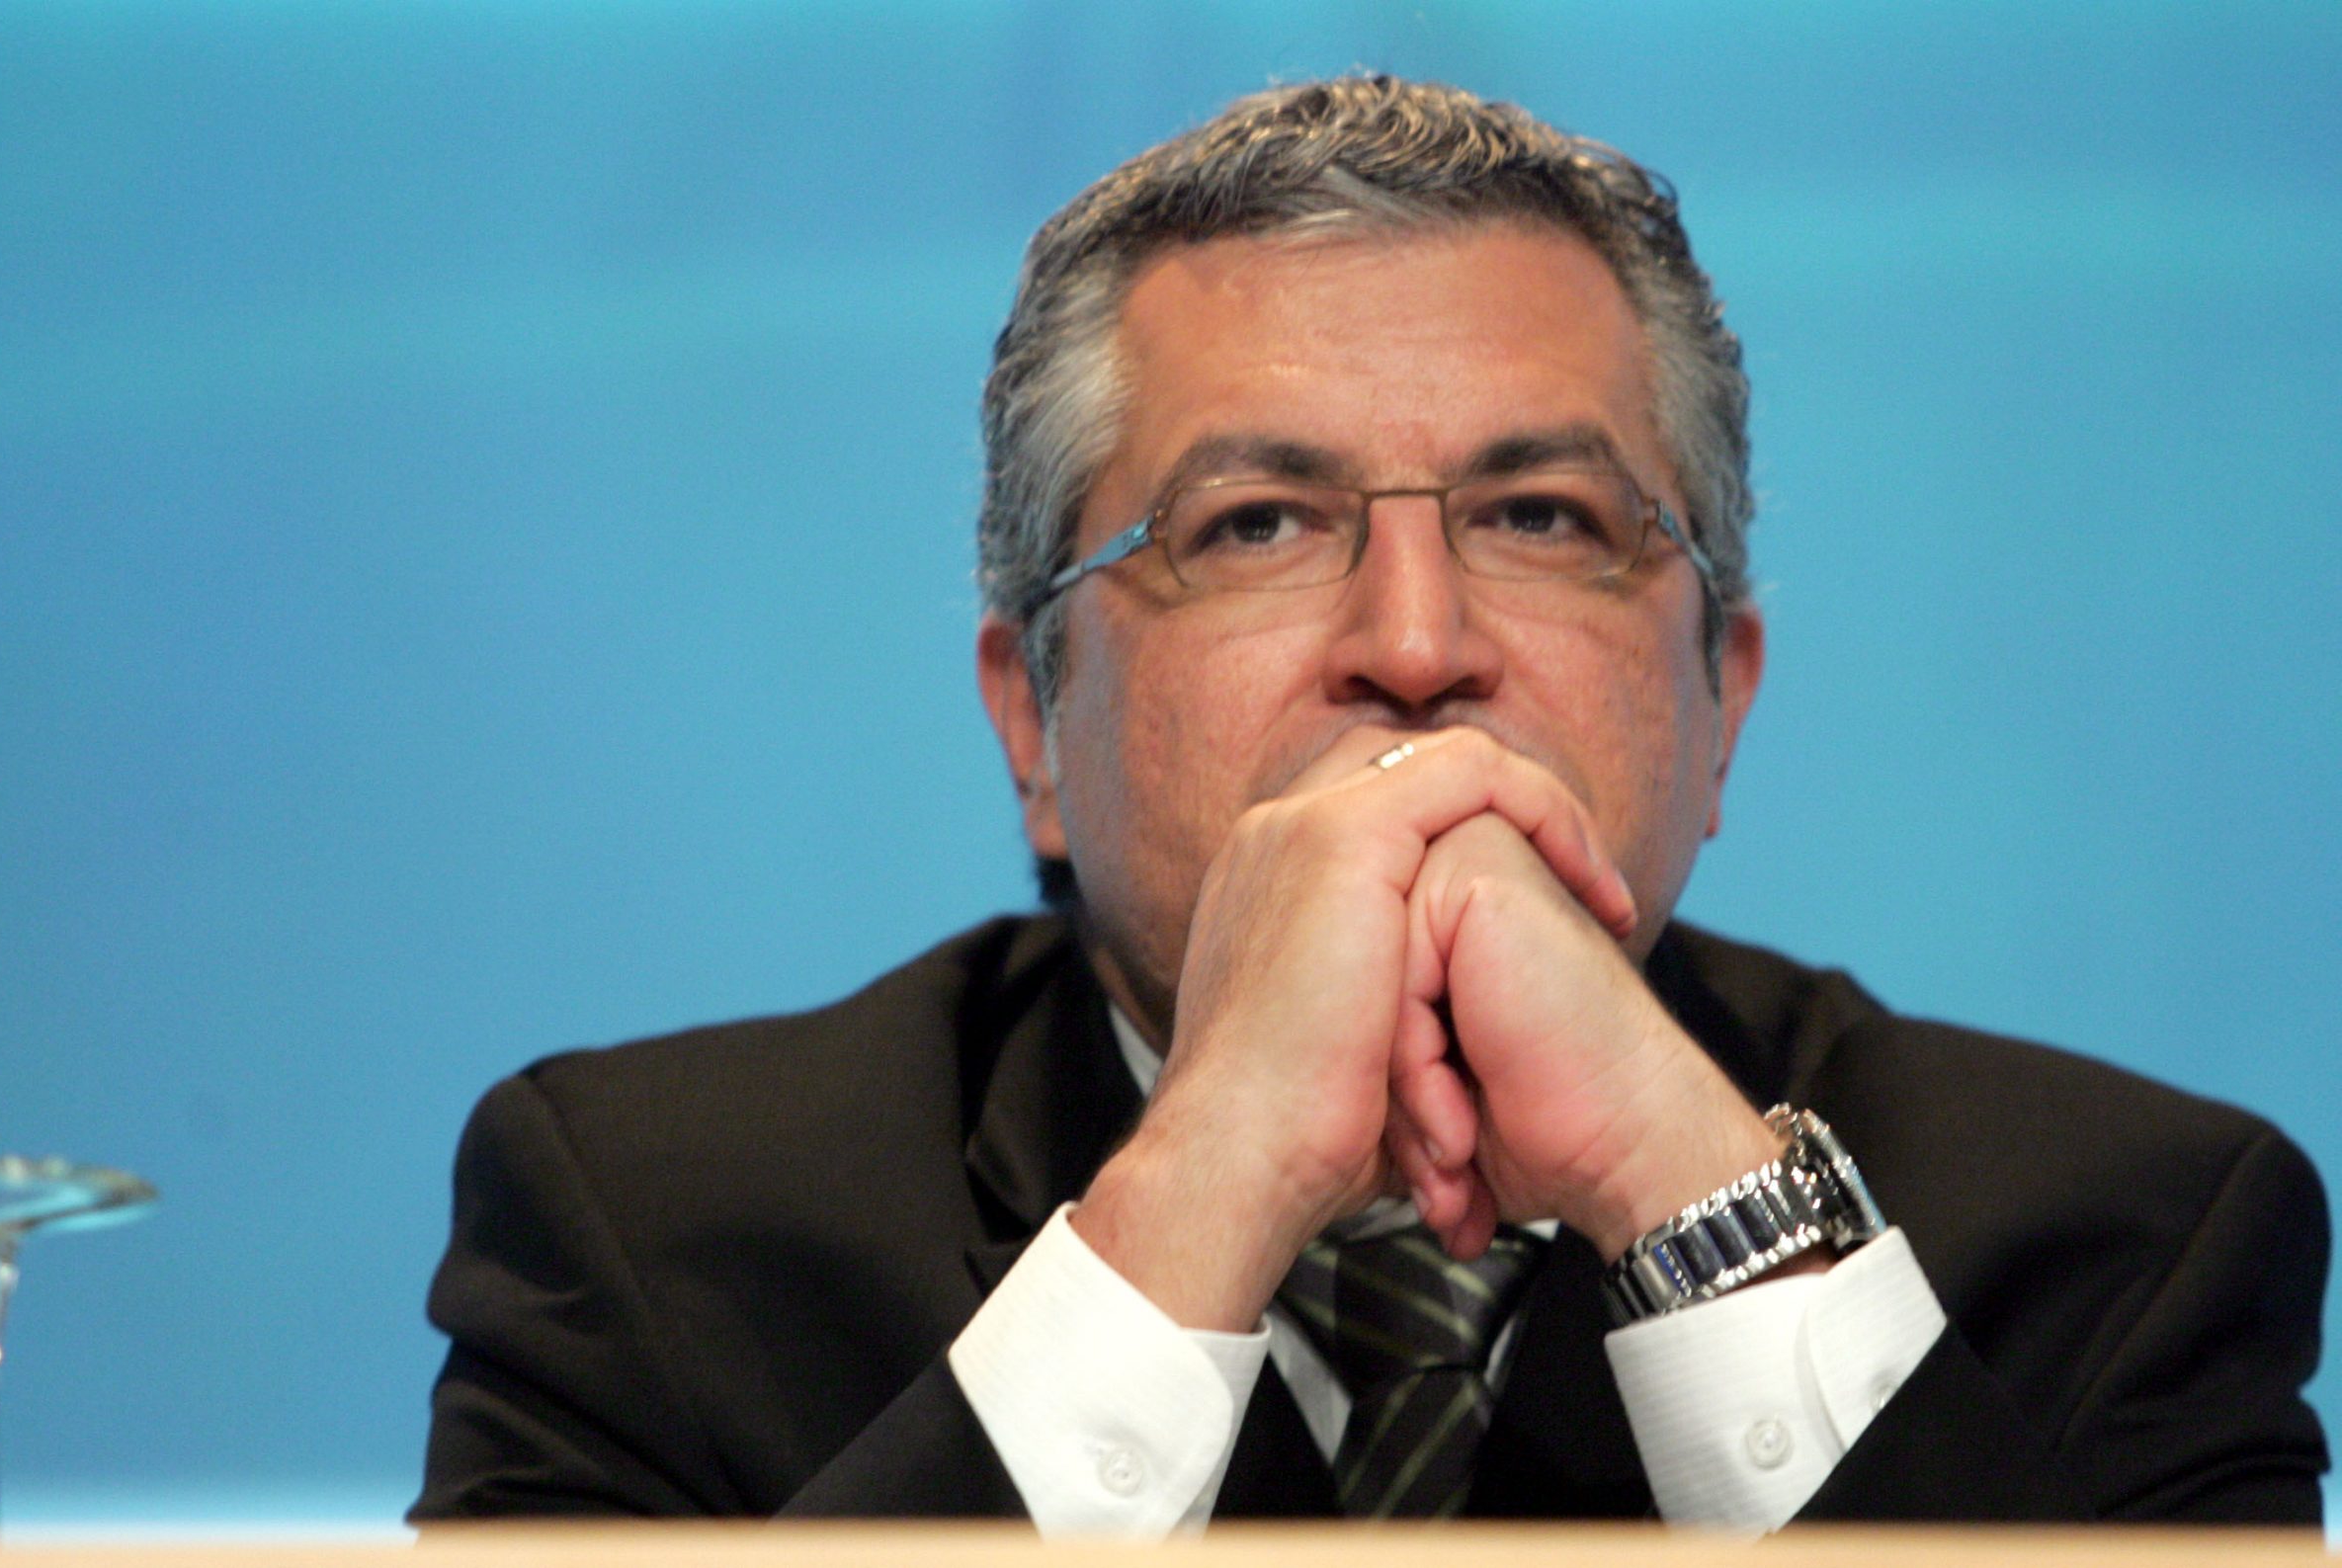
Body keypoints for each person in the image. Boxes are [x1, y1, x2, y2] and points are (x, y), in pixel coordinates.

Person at [411, 76, 2328, 1532]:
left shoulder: (2118, 1243)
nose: (1416, 644)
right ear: (1031, 717)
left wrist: (1687, 1192)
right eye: (1254, 524)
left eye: (1540, 518)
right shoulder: (655, 1236)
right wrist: (1205, 1180)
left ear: (1720, 698)